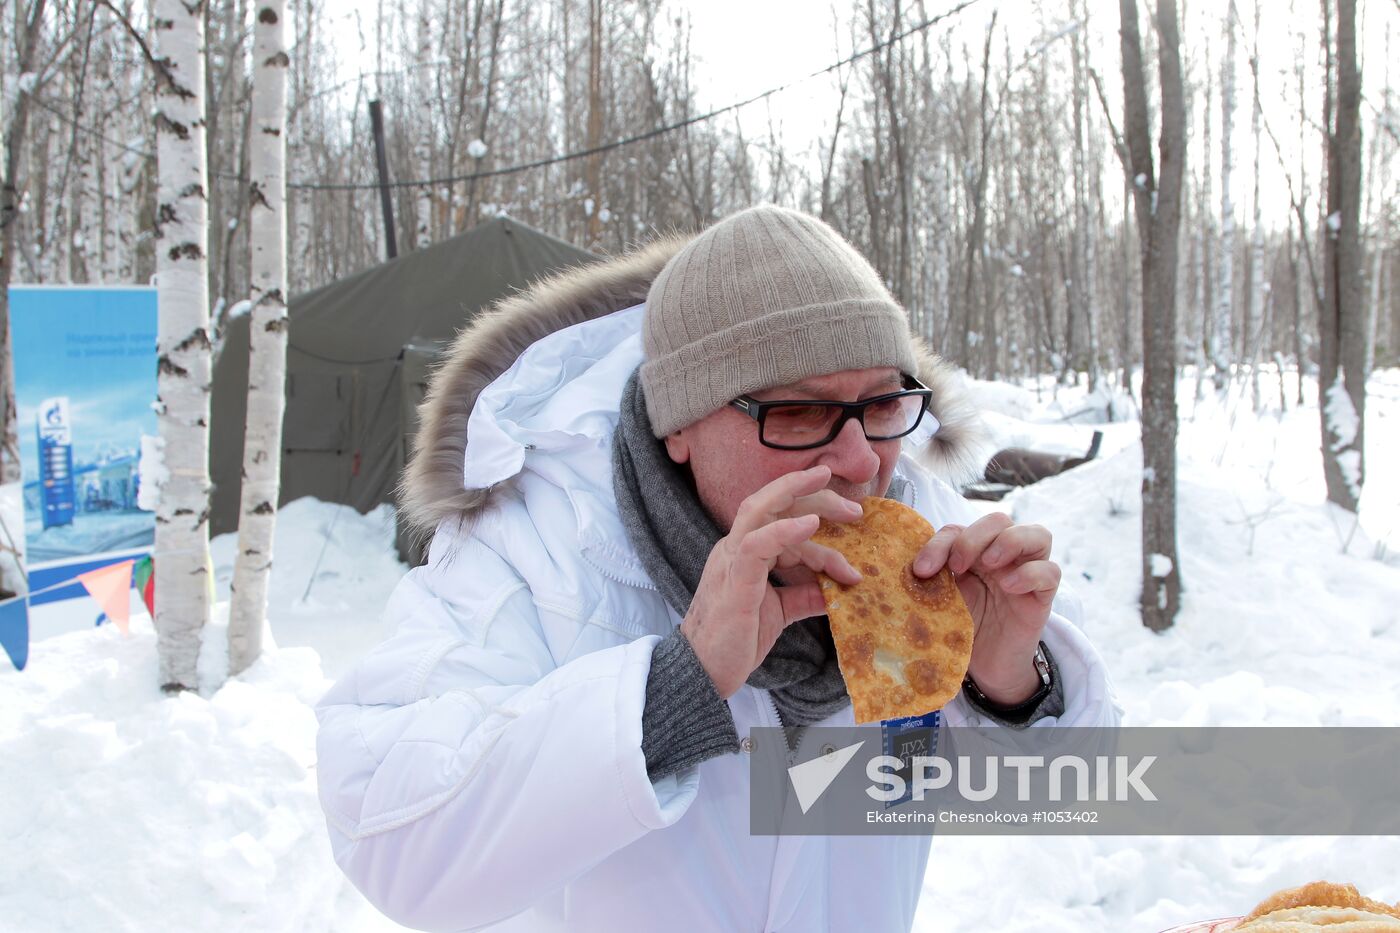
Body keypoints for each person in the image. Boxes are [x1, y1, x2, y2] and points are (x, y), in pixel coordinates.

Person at [315, 206, 1119, 932]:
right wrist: (679, 684)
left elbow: (1062, 799)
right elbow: (394, 840)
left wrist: (1013, 683)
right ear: (680, 426)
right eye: (798, 411)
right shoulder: (538, 549)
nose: (858, 458)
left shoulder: (934, 546)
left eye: (881, 404)